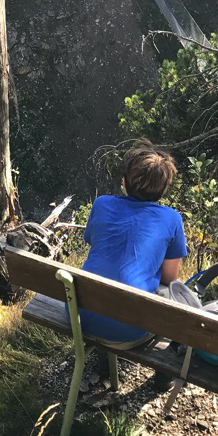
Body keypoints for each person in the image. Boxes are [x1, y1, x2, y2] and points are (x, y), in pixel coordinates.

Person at [79, 140, 187, 346]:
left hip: (81, 316)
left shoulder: (101, 203)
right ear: (163, 189)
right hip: (129, 331)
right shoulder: (171, 218)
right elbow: (170, 278)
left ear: (124, 182)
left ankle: (103, 368)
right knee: (173, 300)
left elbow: (93, 242)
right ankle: (164, 376)